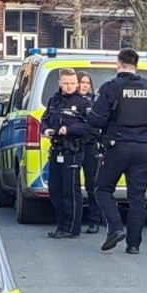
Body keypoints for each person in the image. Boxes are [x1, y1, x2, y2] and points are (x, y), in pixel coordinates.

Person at [85, 48, 147, 255]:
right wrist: (145, 129)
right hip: (141, 147)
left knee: (103, 189)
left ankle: (114, 228)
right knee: (137, 197)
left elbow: (95, 119)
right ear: (136, 65)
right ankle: (134, 245)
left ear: (118, 64)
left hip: (117, 146)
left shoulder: (111, 87)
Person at [41, 68, 93, 239]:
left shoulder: (83, 103)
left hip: (73, 150)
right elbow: (45, 120)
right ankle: (61, 225)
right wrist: (46, 130)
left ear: (77, 84)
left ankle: (71, 228)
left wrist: (69, 129)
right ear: (60, 83)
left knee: (70, 190)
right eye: (66, 83)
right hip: (56, 149)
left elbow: (90, 126)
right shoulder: (53, 100)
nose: (69, 86)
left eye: (72, 83)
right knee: (55, 190)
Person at [76, 72, 102, 233]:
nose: (84, 85)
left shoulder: (95, 103)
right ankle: (74, 219)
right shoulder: (70, 101)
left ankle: (94, 220)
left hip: (90, 145)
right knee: (73, 185)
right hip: (73, 145)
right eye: (82, 82)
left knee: (92, 184)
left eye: (87, 82)